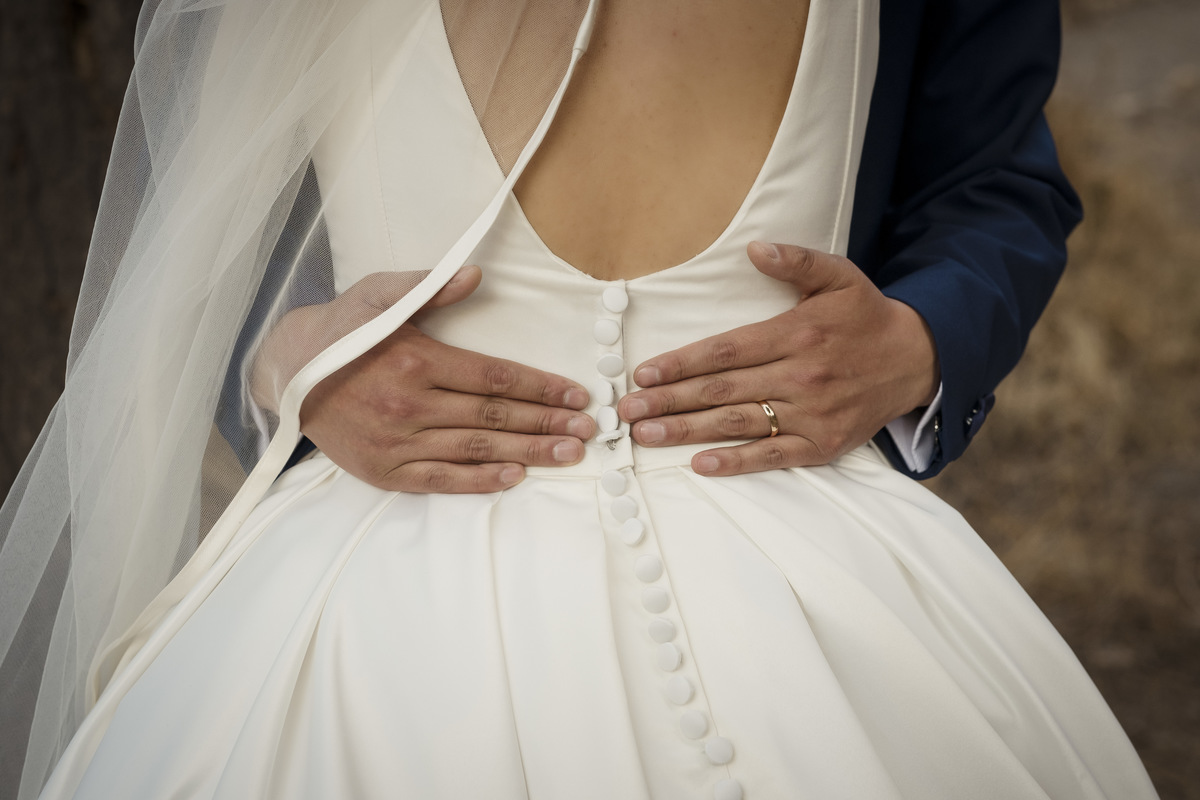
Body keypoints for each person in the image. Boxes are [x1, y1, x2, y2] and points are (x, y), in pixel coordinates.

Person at [0, 0, 1159, 798]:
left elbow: (991, 174)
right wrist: (288, 355)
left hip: (802, 537)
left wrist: (918, 341)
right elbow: (195, 201)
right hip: (386, 562)